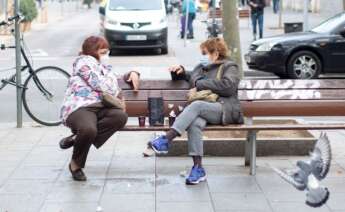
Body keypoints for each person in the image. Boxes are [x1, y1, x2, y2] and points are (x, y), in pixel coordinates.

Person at [148, 38, 244, 185]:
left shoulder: (229, 67)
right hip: (203, 110)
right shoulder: (201, 67)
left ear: (216, 53)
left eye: (204, 53)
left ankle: (167, 139)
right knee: (194, 123)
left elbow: (228, 87)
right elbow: (190, 77)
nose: (202, 56)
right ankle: (198, 168)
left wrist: (200, 84)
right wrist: (178, 72)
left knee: (197, 105)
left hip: (224, 109)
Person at [59, 36, 140, 181]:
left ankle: (78, 138)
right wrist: (112, 85)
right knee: (89, 129)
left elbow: (116, 78)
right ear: (92, 52)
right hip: (81, 107)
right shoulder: (82, 63)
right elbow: (103, 86)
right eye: (103, 52)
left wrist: (132, 73)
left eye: (107, 52)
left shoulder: (101, 67)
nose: (106, 55)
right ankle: (76, 164)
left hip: (101, 106)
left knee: (120, 117)